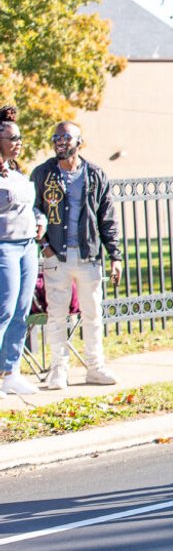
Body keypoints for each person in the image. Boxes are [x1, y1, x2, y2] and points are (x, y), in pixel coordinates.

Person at [32, 121, 123, 389]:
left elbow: (107, 218)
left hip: (89, 255)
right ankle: (59, 371)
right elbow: (34, 211)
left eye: (66, 137)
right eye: (56, 137)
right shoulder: (43, 174)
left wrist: (115, 255)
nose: (60, 141)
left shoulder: (95, 174)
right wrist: (45, 247)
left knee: (93, 315)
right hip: (55, 256)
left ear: (79, 142)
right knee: (57, 315)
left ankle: (95, 368)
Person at [0, 106, 44, 396]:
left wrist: (40, 219)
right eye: (13, 138)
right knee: (3, 310)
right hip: (4, 246)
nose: (18, 142)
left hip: (28, 245)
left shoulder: (16, 172)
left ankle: (10, 371)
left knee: (21, 310)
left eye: (20, 137)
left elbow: (31, 205)